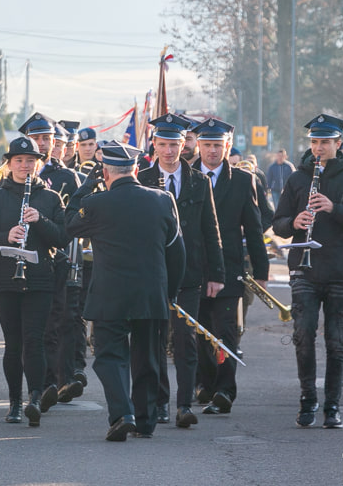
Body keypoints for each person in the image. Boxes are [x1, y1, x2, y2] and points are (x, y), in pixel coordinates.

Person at [65, 141, 185, 441]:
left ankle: (123, 413)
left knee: (109, 357)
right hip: (150, 293)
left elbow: (68, 224)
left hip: (110, 294)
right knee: (147, 357)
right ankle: (145, 420)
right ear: (136, 168)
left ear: (104, 172)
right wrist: (169, 293)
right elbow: (177, 252)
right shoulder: (162, 199)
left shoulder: (95, 204)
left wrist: (85, 188)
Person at [272, 114, 343, 430]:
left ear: (337, 144)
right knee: (302, 335)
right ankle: (307, 401)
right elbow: (278, 223)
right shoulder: (298, 178)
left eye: (325, 143)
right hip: (304, 269)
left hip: (342, 269)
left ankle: (331, 406)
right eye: (314, 142)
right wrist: (293, 223)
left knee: (337, 341)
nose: (318, 148)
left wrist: (333, 208)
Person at [0, 136, 69, 426]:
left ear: (38, 164)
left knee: (34, 341)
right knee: (13, 343)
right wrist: (6, 237)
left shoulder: (50, 198)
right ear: (9, 164)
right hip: (5, 277)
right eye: (19, 161)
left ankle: (35, 398)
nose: (25, 166)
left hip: (39, 278)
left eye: (30, 161)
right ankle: (15, 402)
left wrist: (40, 220)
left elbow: (63, 237)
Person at [138, 113, 225, 429]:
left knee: (187, 340)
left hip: (190, 274)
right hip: (153, 274)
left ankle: (184, 405)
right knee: (156, 339)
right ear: (155, 145)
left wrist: (216, 274)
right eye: (163, 144)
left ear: (183, 145)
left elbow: (210, 229)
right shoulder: (143, 179)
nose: (169, 151)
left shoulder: (199, 181)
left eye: (174, 144)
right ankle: (160, 402)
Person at [192, 118, 268, 415]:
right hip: (194, 269)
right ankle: (204, 384)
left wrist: (260, 272)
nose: (212, 151)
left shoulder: (241, 180)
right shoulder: (187, 176)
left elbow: (253, 228)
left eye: (218, 145)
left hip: (229, 267)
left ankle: (225, 390)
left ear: (227, 146)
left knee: (227, 332)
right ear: (198, 146)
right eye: (207, 145)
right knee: (199, 331)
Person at [18, 112, 82, 411]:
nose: (43, 144)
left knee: (58, 322)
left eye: (47, 139)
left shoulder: (67, 178)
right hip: (18, 261)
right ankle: (34, 384)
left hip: (54, 259)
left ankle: (52, 383)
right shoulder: (13, 173)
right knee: (28, 328)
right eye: (37, 138)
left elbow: (72, 222)